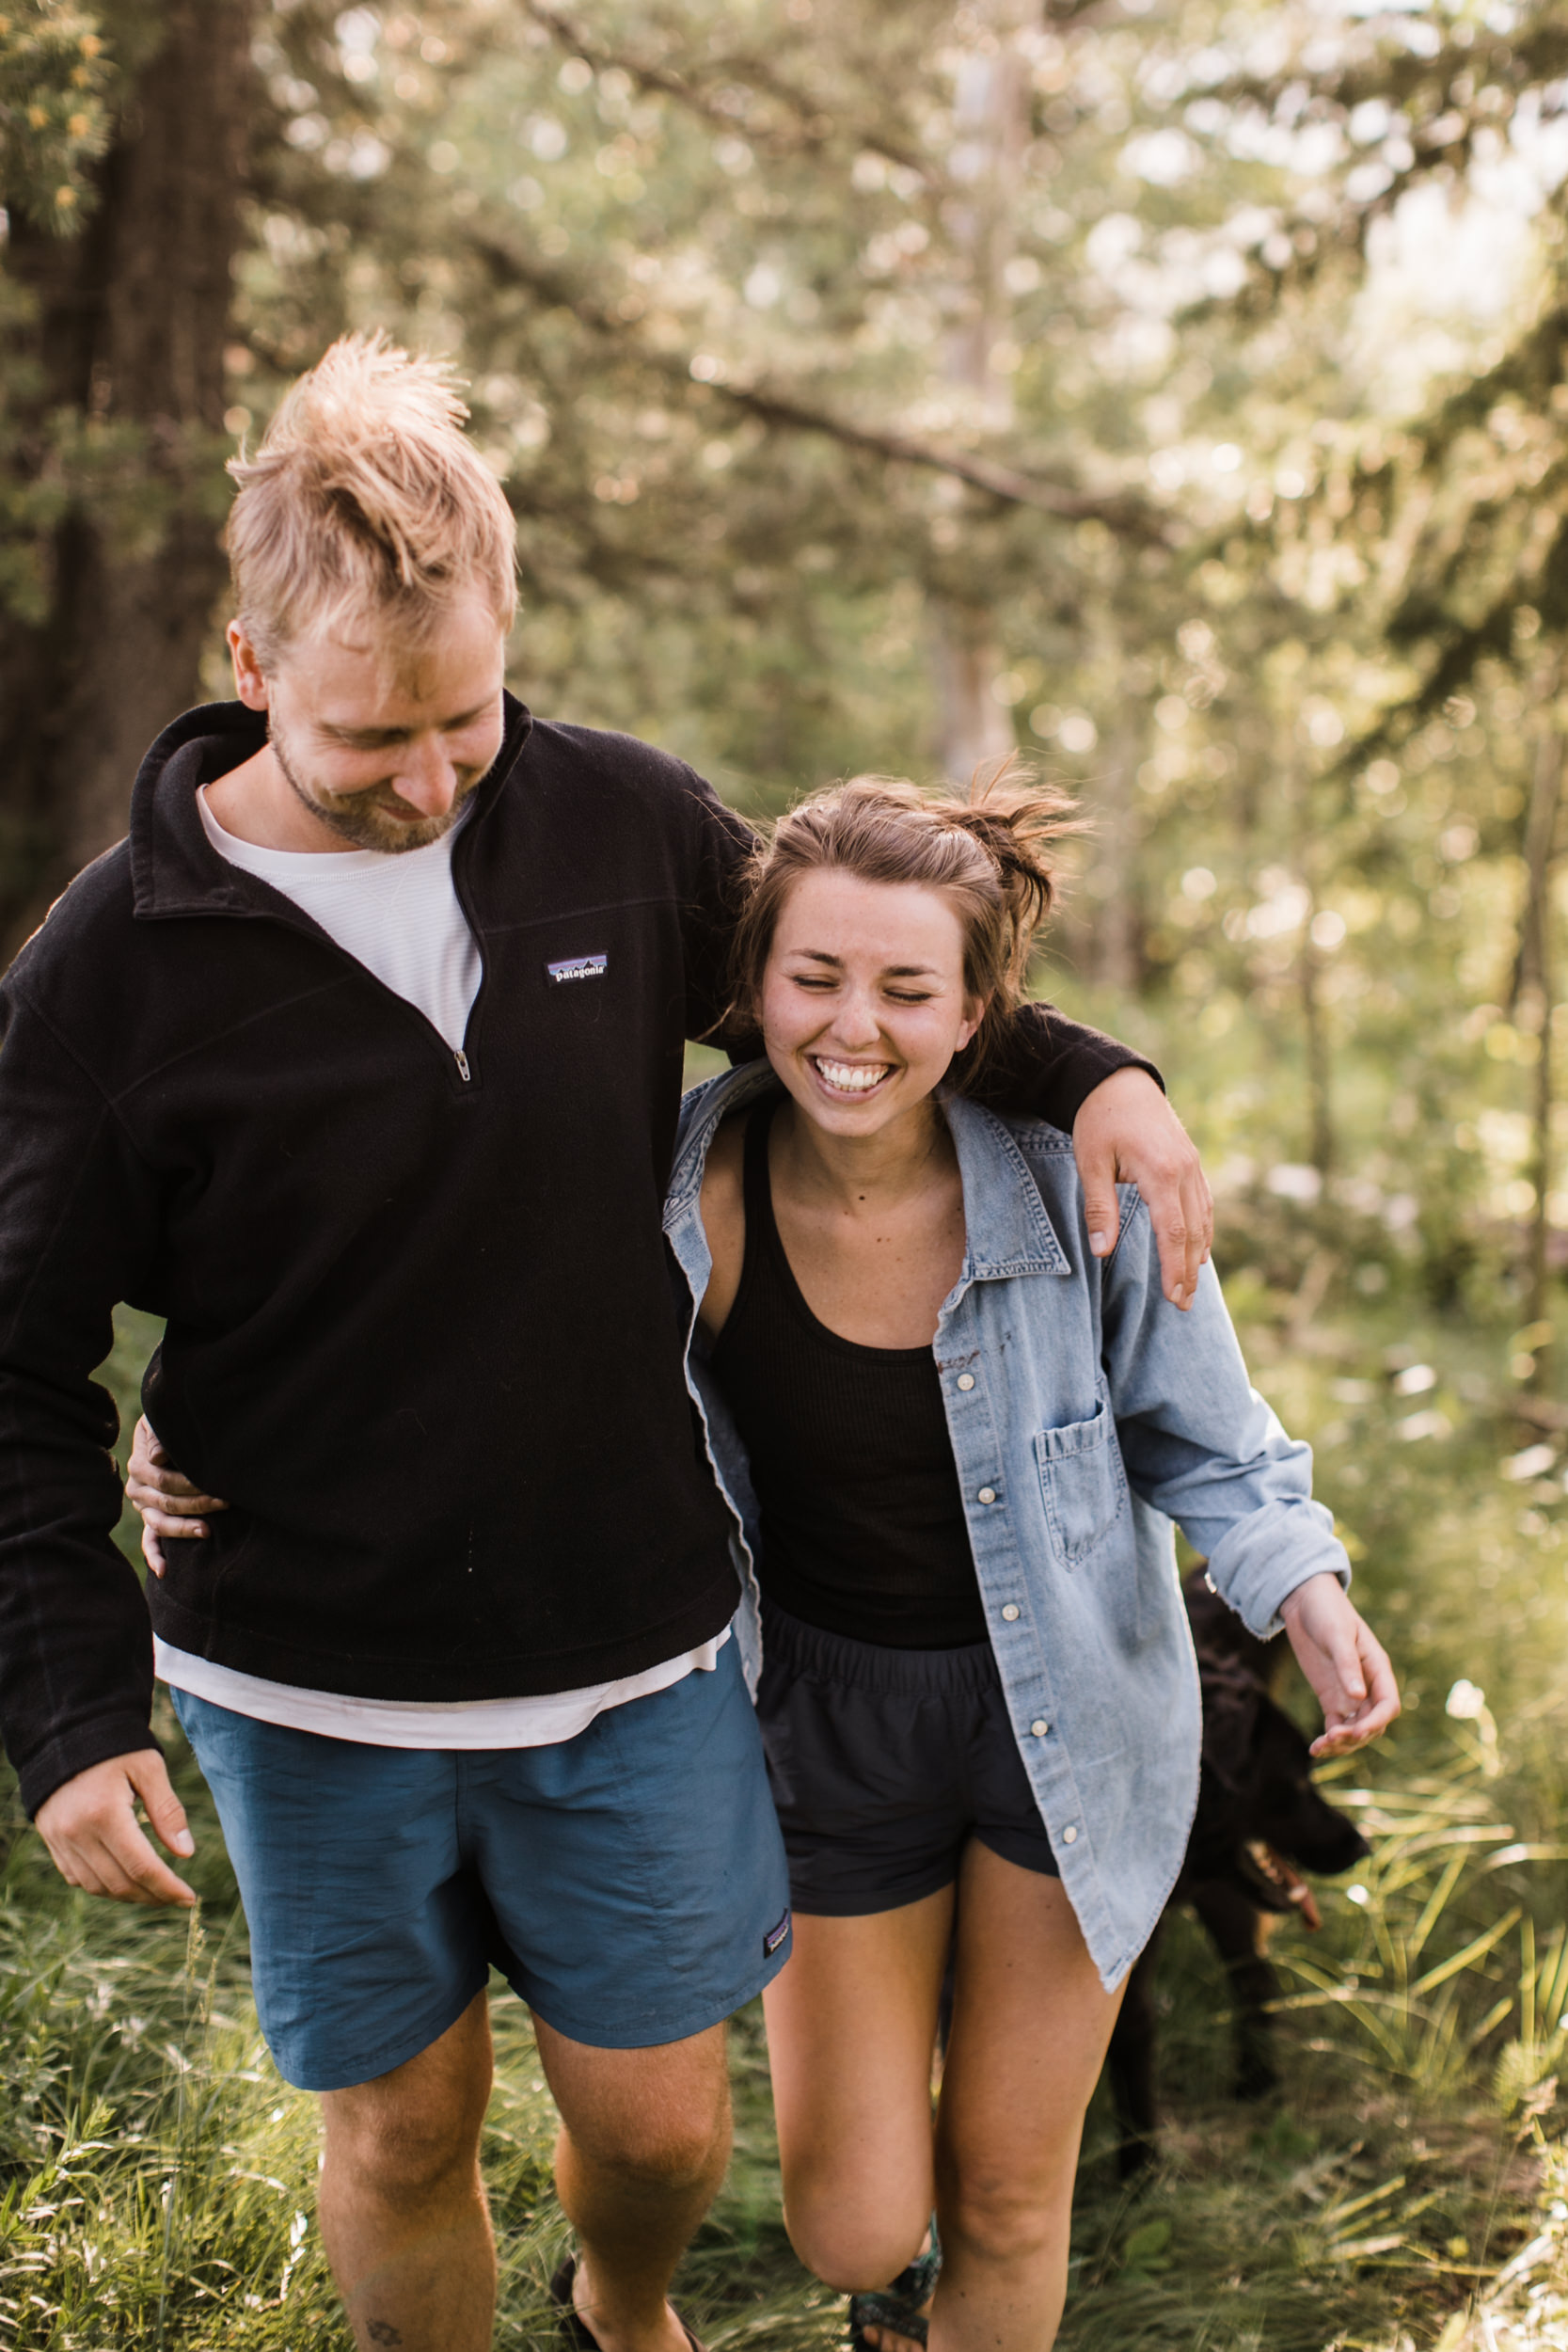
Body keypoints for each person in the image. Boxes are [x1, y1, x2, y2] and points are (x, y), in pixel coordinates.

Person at [0, 334, 1214, 2352]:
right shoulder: (106, 970)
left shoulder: (618, 823)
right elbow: (20, 1367)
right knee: (400, 2132)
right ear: (245, 658)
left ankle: (616, 2302)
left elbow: (847, 1004)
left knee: (659, 2135)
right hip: (305, 1666)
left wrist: (1101, 1071)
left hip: (629, 1639)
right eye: (372, 738)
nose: (435, 777)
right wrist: (72, 1711)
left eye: (467, 716)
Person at [655, 771, 1396, 2352]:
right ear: (753, 985)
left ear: (979, 1008)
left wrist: (1308, 1593)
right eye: (815, 978)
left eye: (908, 989)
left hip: (1071, 1709)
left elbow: (1218, 1441)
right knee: (854, 2220)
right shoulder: (693, 1195)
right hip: (826, 1723)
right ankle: (885, 2277)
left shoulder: (1075, 1187)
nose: (855, 1028)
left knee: (1005, 2198)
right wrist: (215, 1422)